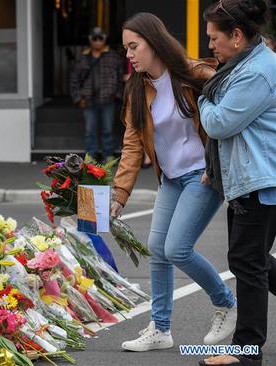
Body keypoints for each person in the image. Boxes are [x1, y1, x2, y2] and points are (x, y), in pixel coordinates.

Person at [111, 12, 236, 352]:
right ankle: (161, 329)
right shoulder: (138, 88)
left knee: (176, 248)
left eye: (133, 46)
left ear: (154, 42)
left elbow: (232, 115)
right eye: (126, 49)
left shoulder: (195, 74)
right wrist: (120, 192)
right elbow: (133, 143)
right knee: (158, 250)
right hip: (171, 179)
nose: (129, 55)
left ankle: (225, 302)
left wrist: (220, 165)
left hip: (204, 175)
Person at [198, 1, 276, 365]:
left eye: (214, 38)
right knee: (253, 260)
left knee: (247, 263)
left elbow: (219, 123)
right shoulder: (246, 65)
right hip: (255, 178)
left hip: (258, 181)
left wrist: (202, 98)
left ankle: (246, 352)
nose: (210, 44)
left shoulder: (255, 72)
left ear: (237, 36)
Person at [70, 27, 125, 163]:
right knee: (90, 131)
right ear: (90, 39)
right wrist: (78, 98)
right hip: (88, 100)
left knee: (108, 130)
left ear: (104, 39)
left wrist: (117, 95)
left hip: (108, 99)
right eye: (95, 38)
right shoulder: (82, 57)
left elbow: (120, 78)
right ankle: (90, 157)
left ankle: (108, 155)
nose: (98, 41)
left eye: (100, 38)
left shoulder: (113, 56)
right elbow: (74, 79)